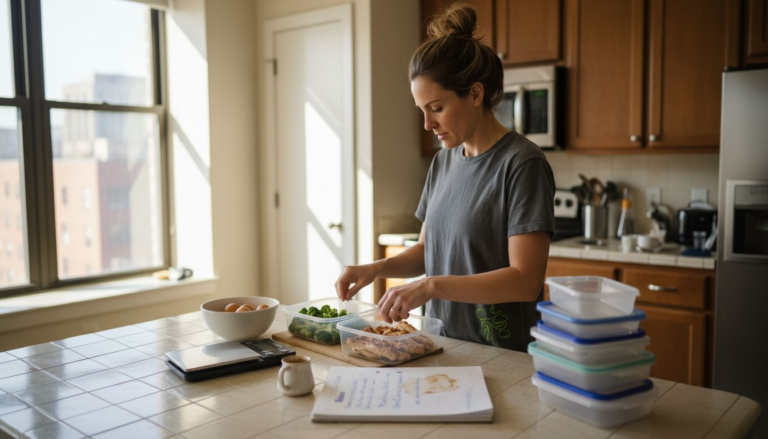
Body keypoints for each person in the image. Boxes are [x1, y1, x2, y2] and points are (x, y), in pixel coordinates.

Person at [334, 4, 555, 352]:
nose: (427, 124)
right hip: (441, 344)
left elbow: (525, 281)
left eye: (436, 108)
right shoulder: (442, 163)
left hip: (502, 352)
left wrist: (430, 287)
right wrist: (375, 268)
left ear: (475, 94)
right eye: (422, 111)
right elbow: (427, 250)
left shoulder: (522, 163)